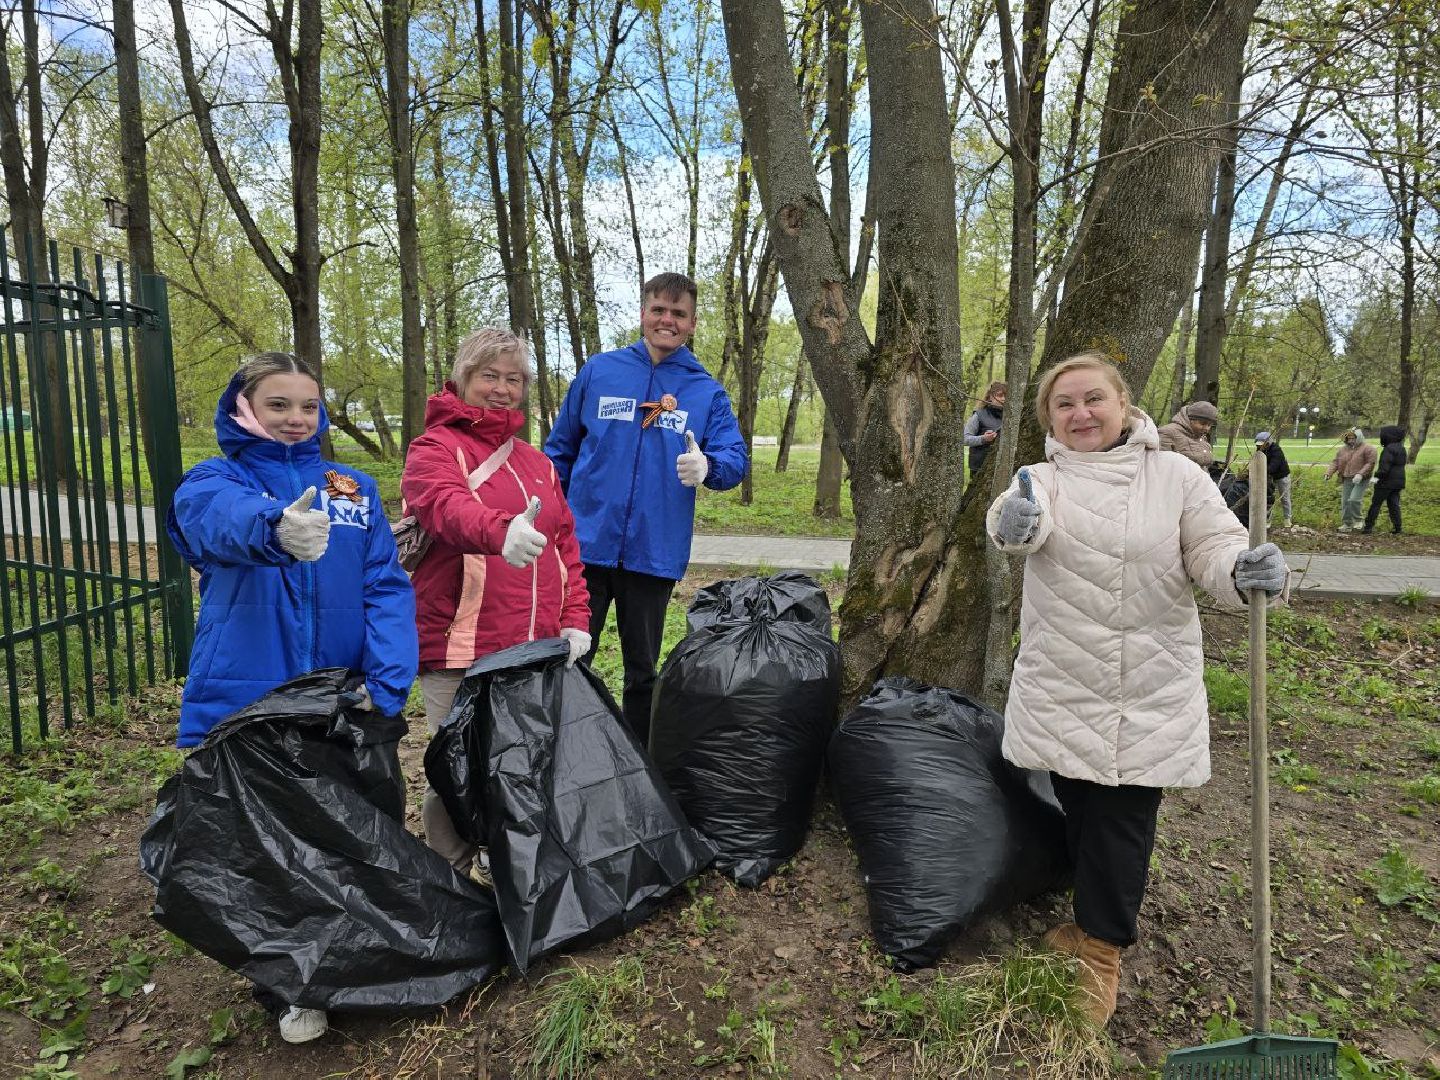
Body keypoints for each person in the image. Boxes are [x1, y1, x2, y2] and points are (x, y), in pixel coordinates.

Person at [986, 352, 1287, 1027]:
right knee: (1082, 809)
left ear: (1125, 405)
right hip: (1065, 681)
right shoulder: (1041, 477)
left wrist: (1244, 569)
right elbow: (1019, 524)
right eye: (1064, 405)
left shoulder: (1176, 476)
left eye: (1093, 399)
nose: (1081, 413)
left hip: (1144, 685)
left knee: (1122, 822)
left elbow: (1212, 548)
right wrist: (1011, 525)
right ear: (1049, 419)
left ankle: (1101, 954)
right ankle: (1090, 925)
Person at [167, 353, 418, 1045]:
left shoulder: (352, 486)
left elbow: (385, 587)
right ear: (244, 407)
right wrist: (272, 529)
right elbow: (209, 519)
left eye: (307, 405)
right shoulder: (218, 480)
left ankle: (355, 952)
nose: (295, 418)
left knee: (348, 831)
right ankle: (289, 985)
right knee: (269, 848)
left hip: (340, 697)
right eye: (278, 404)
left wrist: (387, 680)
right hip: (252, 698)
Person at [401, 327, 592, 876]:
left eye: (514, 378)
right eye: (490, 375)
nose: (502, 388)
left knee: (520, 761)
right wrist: (499, 531)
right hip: (460, 645)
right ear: (463, 378)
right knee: (453, 765)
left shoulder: (539, 463)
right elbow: (443, 506)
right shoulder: (434, 449)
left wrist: (575, 619)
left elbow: (565, 548)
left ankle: (506, 860)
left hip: (530, 648)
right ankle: (448, 872)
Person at [543, 272, 748, 743]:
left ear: (692, 323)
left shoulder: (705, 392)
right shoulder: (599, 372)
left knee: (642, 669)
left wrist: (709, 466)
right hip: (585, 548)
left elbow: (734, 460)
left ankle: (637, 761)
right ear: (643, 313)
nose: (667, 320)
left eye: (678, 314)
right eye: (659, 309)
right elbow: (559, 453)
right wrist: (556, 519)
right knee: (570, 658)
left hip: (653, 554)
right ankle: (567, 749)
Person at [1323, 428, 1377, 532]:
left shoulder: (1368, 448)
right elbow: (1336, 462)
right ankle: (1347, 524)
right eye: (1349, 438)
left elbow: (1370, 463)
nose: (1351, 440)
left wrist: (1360, 474)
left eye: (1353, 438)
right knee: (1345, 502)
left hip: (1361, 479)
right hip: (1347, 478)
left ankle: (1358, 520)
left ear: (1359, 437)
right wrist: (1328, 473)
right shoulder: (1343, 449)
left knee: (1354, 499)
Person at [1360, 425, 1407, 535]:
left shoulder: (1388, 449)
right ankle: (1398, 528)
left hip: (1386, 482)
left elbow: (1384, 469)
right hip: (1398, 482)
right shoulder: (1401, 447)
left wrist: (1375, 477)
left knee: (1376, 504)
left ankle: (1368, 527)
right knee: (1394, 504)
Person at [1156, 399, 1219, 470]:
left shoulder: (1201, 436)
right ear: (1190, 419)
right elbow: (1160, 466)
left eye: (1209, 425)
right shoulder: (1167, 432)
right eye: (1202, 423)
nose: (1206, 428)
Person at [964, 381, 1007, 478]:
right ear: (991, 397)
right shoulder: (979, 415)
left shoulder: (1012, 417)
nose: (1004, 399)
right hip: (980, 469)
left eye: (1006, 395)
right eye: (1000, 395)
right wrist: (983, 438)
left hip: (1004, 470)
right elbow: (964, 438)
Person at [1255, 431, 1292, 528]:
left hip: (1282, 476)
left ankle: (1287, 519)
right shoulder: (1259, 449)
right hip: (1269, 477)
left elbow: (1273, 466)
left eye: (1263, 444)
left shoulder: (1276, 450)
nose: (1261, 447)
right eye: (1259, 445)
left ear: (1268, 442)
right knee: (1269, 498)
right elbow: (1257, 460)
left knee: (1285, 498)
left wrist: (1261, 472)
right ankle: (1267, 520)